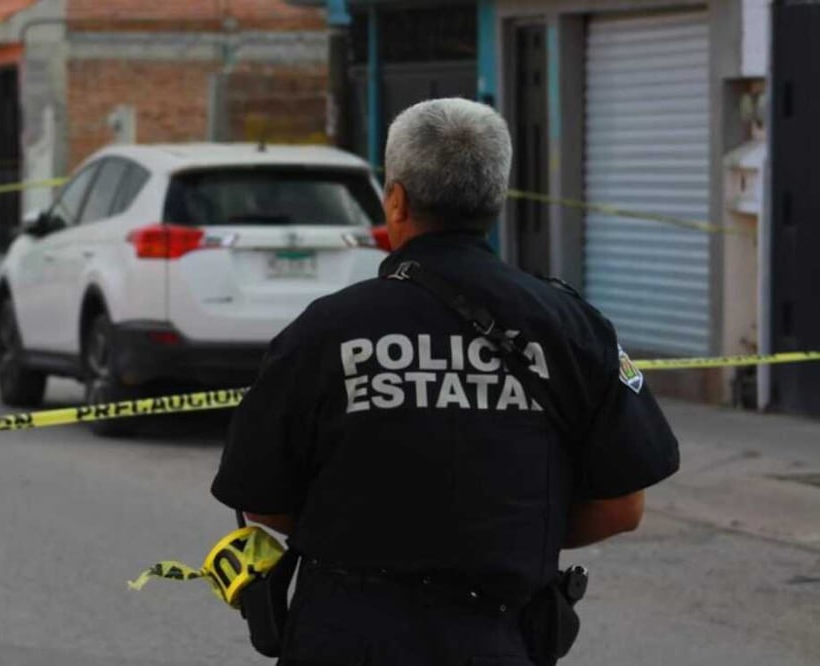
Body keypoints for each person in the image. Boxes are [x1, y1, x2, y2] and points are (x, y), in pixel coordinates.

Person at [211, 98, 680, 666]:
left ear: (397, 199)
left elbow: (262, 504)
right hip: (498, 639)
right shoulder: (571, 326)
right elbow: (621, 507)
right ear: (496, 201)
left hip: (345, 636)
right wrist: (501, 540)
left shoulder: (324, 330)